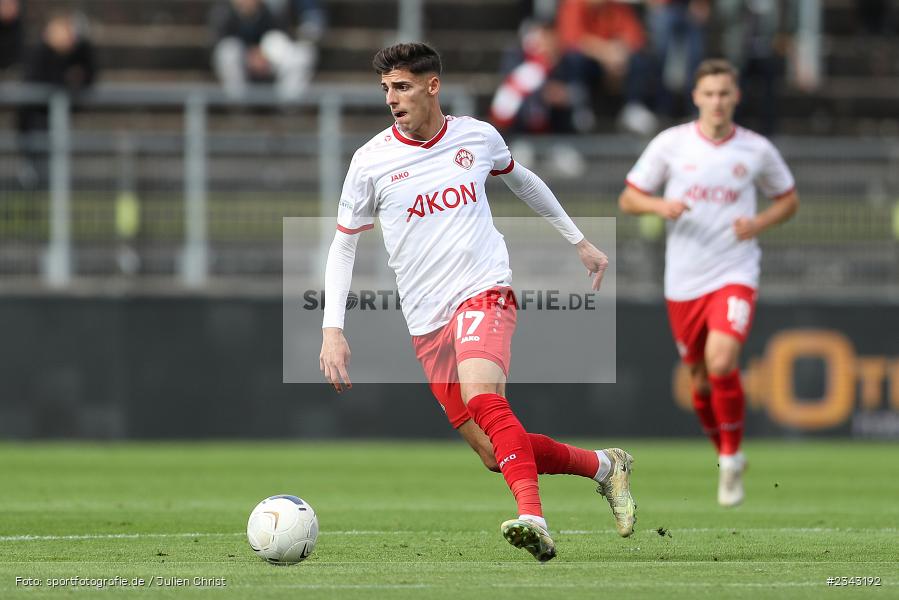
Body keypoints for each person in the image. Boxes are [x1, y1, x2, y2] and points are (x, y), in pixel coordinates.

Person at [319, 42, 636, 562]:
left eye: (401, 87)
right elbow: (345, 242)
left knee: (484, 396)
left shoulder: (476, 136)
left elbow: (521, 179)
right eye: (385, 90)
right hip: (426, 319)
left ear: (431, 86)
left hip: (484, 290)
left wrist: (578, 239)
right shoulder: (371, 162)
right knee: (494, 453)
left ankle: (533, 516)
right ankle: (605, 467)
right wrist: (333, 327)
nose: (391, 99)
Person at [618, 59, 799, 507]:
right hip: (684, 280)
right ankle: (725, 451)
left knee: (721, 361)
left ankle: (733, 457)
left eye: (725, 93)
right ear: (696, 98)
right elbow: (629, 197)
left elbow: (789, 199)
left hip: (735, 271)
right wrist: (661, 207)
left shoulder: (755, 150)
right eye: (710, 94)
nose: (717, 101)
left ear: (736, 97)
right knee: (698, 380)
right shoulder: (671, 144)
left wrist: (757, 223)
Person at [16, 10, 96, 188]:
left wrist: (82, 45)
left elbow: (89, 73)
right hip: (35, 123)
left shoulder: (73, 54)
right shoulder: (41, 54)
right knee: (36, 175)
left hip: (54, 123)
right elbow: (45, 81)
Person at [556, 0, 657, 135]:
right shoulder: (573, 5)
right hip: (590, 63)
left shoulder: (616, 7)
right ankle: (579, 108)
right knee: (575, 58)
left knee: (639, 59)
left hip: (615, 62)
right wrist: (605, 53)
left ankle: (633, 107)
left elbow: (634, 37)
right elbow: (573, 40)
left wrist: (619, 53)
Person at [210, 0, 315, 100]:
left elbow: (281, 38)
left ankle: (287, 106)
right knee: (228, 51)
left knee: (301, 53)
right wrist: (249, 55)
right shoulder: (223, 12)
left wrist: (263, 54)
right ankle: (238, 105)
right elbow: (217, 43)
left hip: (268, 62)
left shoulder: (270, 11)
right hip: (241, 65)